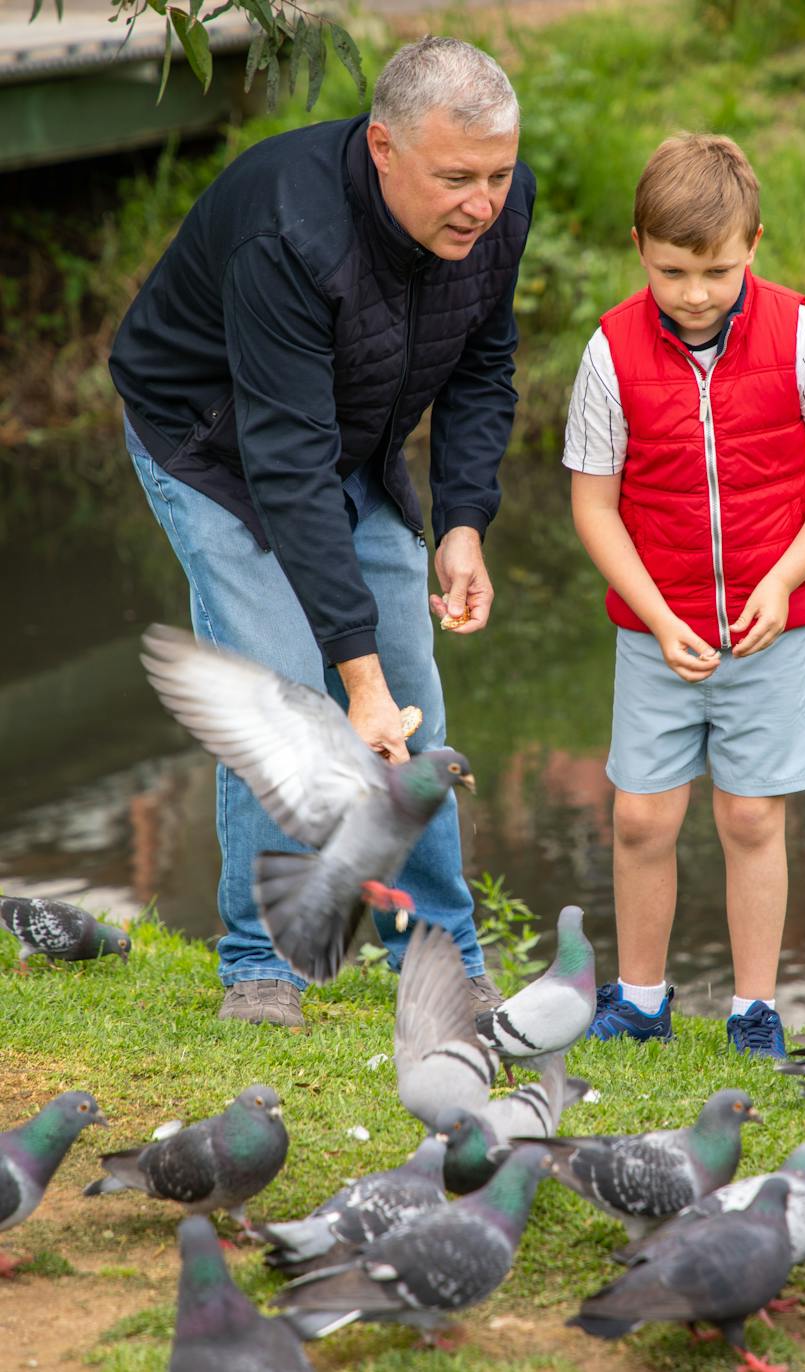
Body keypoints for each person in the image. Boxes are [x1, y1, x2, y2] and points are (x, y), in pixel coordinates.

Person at [110, 37, 536, 1026]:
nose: (484, 201)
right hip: (214, 440)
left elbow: (484, 365)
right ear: (383, 149)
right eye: (458, 178)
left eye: (500, 175)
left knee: (414, 697)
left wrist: (464, 522)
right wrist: (356, 677)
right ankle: (260, 962)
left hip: (350, 426)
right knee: (287, 689)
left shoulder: (496, 208)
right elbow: (287, 463)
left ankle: (439, 949)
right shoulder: (286, 227)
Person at [562, 134, 805, 1058]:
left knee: (749, 813)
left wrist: (782, 581)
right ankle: (643, 997)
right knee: (643, 815)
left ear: (756, 245)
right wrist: (657, 618)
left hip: (770, 630)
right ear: (638, 249)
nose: (695, 292)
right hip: (657, 632)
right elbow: (593, 503)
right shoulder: (610, 351)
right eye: (672, 271)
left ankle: (752, 1011)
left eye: (718, 270)